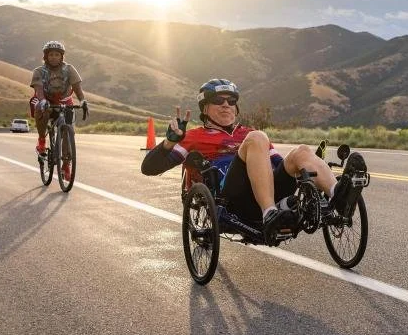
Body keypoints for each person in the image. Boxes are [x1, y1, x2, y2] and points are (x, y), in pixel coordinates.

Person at [140, 78, 365, 240]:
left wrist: (305, 169)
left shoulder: (246, 132)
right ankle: (269, 214)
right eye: (218, 100)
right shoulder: (193, 136)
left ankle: (340, 197)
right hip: (230, 196)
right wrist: (169, 142)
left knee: (302, 151)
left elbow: (277, 163)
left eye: (231, 100)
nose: (226, 104)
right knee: (257, 138)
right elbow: (149, 169)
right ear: (205, 108)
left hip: (266, 185)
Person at [30, 40, 87, 180]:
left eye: (57, 54)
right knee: (40, 106)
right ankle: (42, 139)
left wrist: (83, 101)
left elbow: (78, 89)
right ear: (46, 56)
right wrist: (43, 101)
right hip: (46, 100)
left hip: (65, 101)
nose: (54, 57)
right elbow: (38, 89)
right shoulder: (39, 71)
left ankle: (66, 165)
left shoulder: (69, 69)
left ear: (62, 56)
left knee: (68, 132)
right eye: (51, 55)